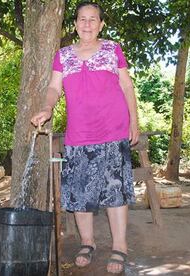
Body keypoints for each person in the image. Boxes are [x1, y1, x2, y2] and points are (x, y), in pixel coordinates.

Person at [31, 1, 138, 274]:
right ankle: (87, 243)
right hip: (79, 134)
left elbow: (127, 86)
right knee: (80, 193)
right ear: (75, 24)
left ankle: (120, 246)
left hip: (114, 130)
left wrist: (134, 122)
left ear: (101, 24)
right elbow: (54, 87)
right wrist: (46, 107)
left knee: (115, 191)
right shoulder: (63, 55)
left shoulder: (113, 49)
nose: (87, 24)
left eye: (93, 19)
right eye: (82, 19)